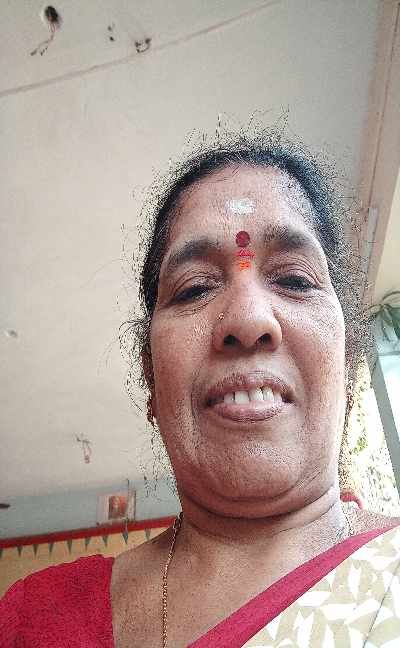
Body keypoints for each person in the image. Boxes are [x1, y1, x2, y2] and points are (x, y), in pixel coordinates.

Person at [1, 135, 400, 647]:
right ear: (150, 377)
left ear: (346, 363)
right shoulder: (34, 620)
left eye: (296, 280)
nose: (249, 319)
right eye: (194, 288)